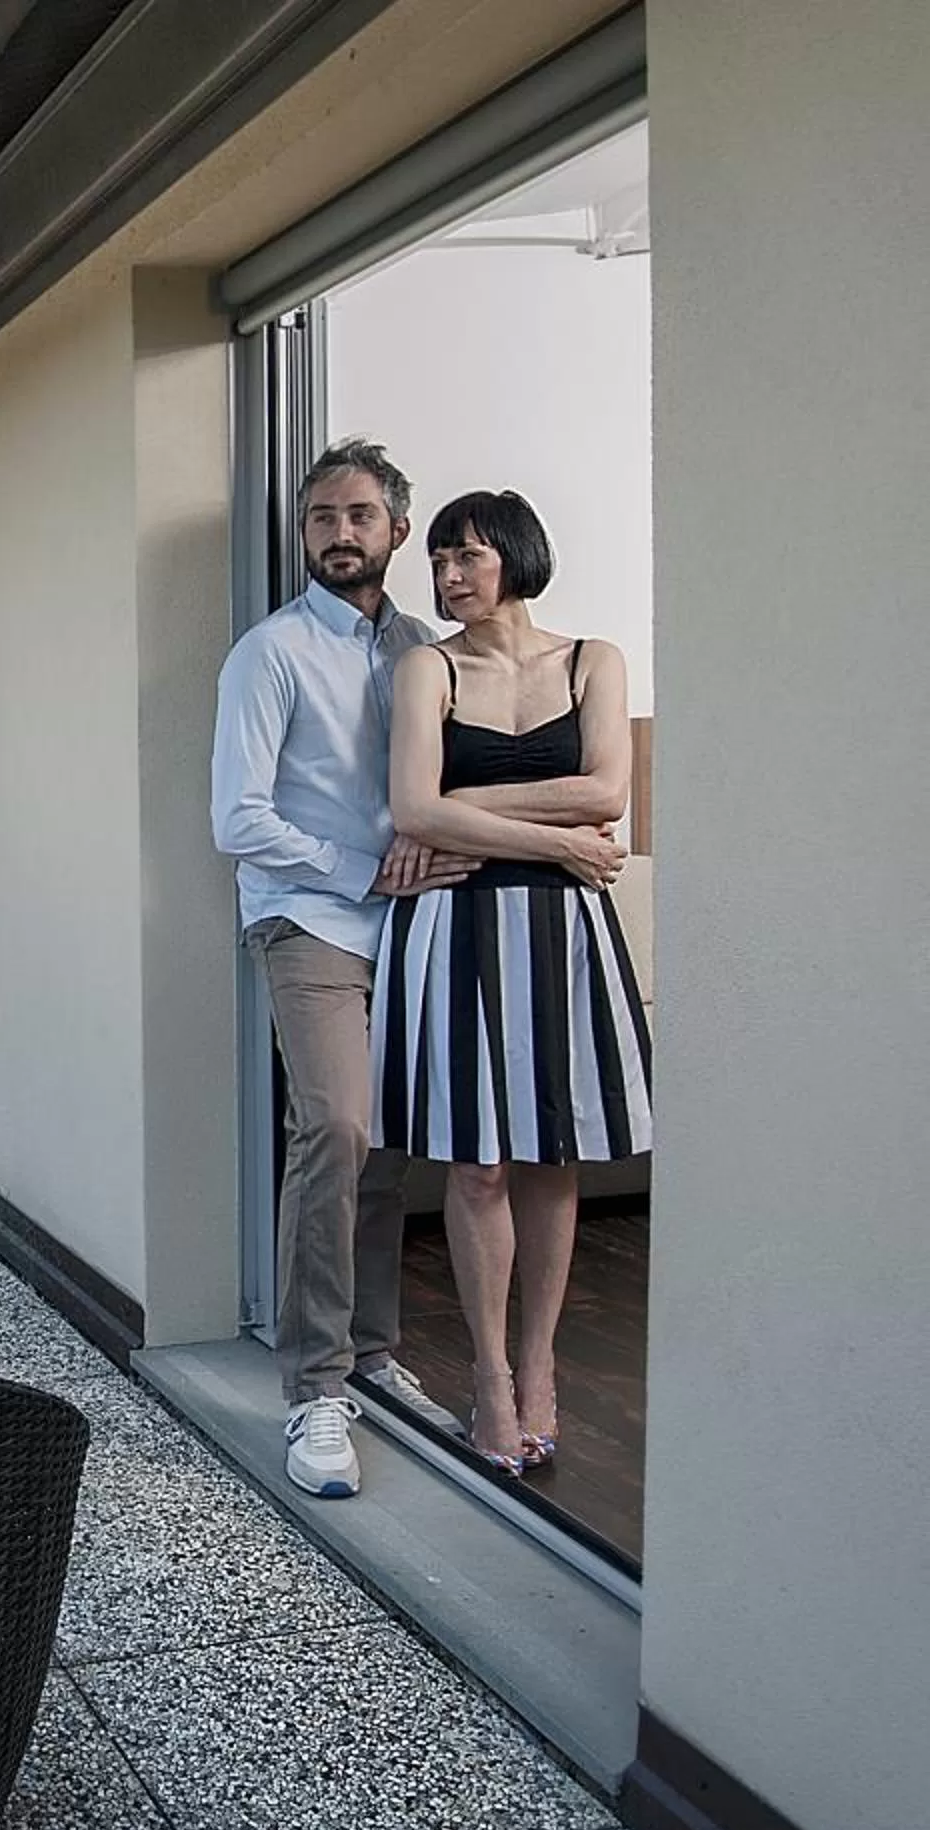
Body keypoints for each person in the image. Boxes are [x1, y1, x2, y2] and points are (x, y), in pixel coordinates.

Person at [212, 438, 475, 1500]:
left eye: (359, 515)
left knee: (390, 1144)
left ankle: (373, 1352)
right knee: (335, 1128)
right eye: (321, 518)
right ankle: (315, 1387)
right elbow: (238, 816)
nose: (338, 534)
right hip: (311, 919)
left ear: (396, 531)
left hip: (414, 926)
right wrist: (363, 868)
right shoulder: (269, 653)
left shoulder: (425, 649)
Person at [373, 489, 651, 1475]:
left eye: (469, 556)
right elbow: (409, 803)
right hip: (455, 924)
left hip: (564, 928)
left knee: (552, 1152)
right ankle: (487, 1376)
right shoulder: (426, 666)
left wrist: (456, 802)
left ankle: (539, 1364)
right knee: (478, 1160)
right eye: (440, 557)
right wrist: (550, 835)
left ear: (519, 558)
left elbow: (609, 790)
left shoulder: (593, 661)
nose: (449, 574)